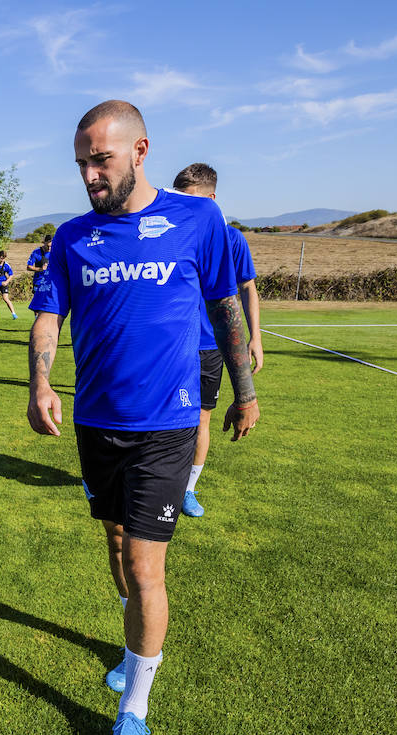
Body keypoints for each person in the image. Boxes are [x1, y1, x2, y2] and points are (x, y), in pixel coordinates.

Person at [26, 100, 260, 735]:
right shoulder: (73, 238)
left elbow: (225, 309)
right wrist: (38, 382)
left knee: (145, 567)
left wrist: (244, 392)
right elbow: (47, 316)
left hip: (167, 425)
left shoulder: (199, 220)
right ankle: (135, 645)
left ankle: (133, 711)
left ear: (140, 151)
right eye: (81, 164)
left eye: (100, 160)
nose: (90, 175)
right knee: (116, 545)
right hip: (96, 424)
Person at [171, 163, 264, 518]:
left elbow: (247, 290)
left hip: (210, 347)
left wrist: (254, 338)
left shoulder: (232, 239)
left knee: (201, 420)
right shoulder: (172, 234)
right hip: (173, 345)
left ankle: (188, 489)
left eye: (192, 200)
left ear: (211, 200)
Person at [24, 236, 52, 305]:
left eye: (51, 246)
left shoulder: (55, 252)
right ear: (44, 242)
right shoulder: (36, 252)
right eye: (48, 246)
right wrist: (40, 269)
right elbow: (28, 267)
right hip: (38, 281)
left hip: (50, 282)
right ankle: (37, 316)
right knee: (37, 304)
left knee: (48, 304)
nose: (49, 248)